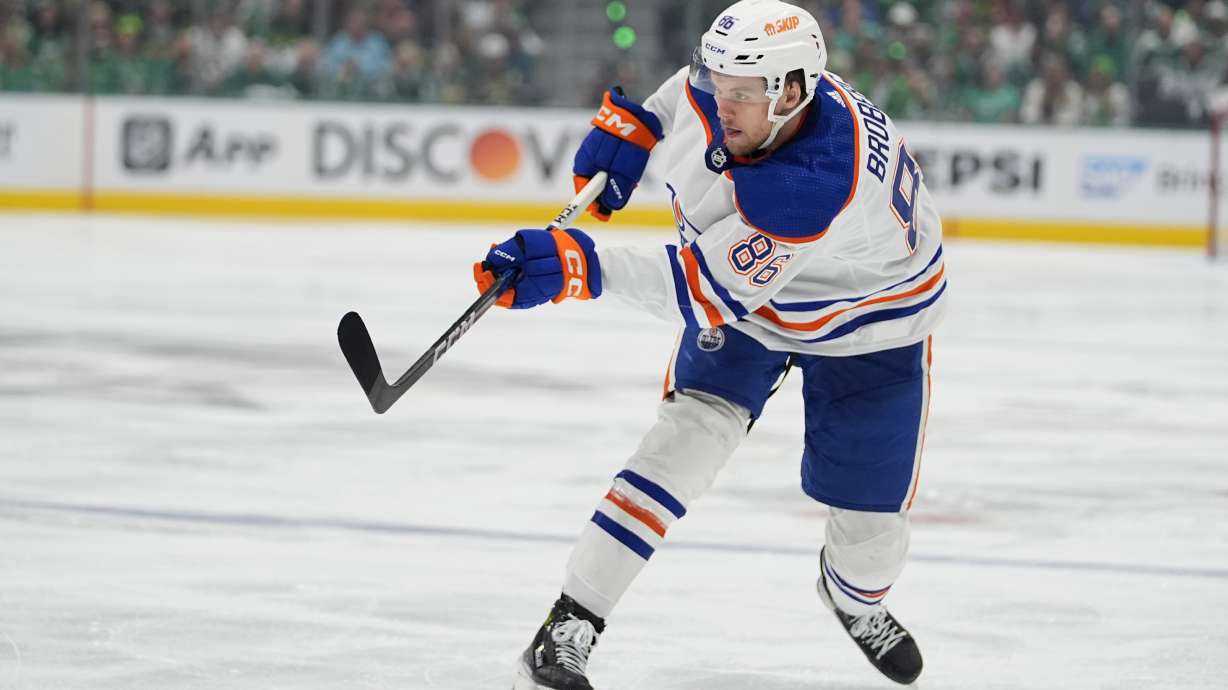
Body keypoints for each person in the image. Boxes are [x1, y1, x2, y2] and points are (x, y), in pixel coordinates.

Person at [472, 1, 947, 687]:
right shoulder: (752, 90)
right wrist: (644, 122)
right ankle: (569, 622)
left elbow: (704, 292)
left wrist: (580, 265)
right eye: (719, 83)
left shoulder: (812, 184)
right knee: (680, 448)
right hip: (756, 298)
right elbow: (688, 87)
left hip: (872, 324)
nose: (722, 104)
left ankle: (853, 598)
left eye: (740, 93)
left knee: (872, 539)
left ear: (791, 93)